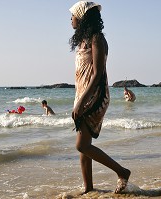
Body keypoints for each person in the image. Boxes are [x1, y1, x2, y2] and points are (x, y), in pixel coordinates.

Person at [69, 1, 130, 194]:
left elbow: (97, 74)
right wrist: (78, 98)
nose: (71, 19)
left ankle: (122, 171)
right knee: (84, 144)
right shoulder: (83, 41)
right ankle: (88, 188)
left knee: (82, 145)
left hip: (95, 96)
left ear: (82, 17)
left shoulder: (97, 39)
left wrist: (81, 101)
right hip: (82, 95)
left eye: (73, 15)